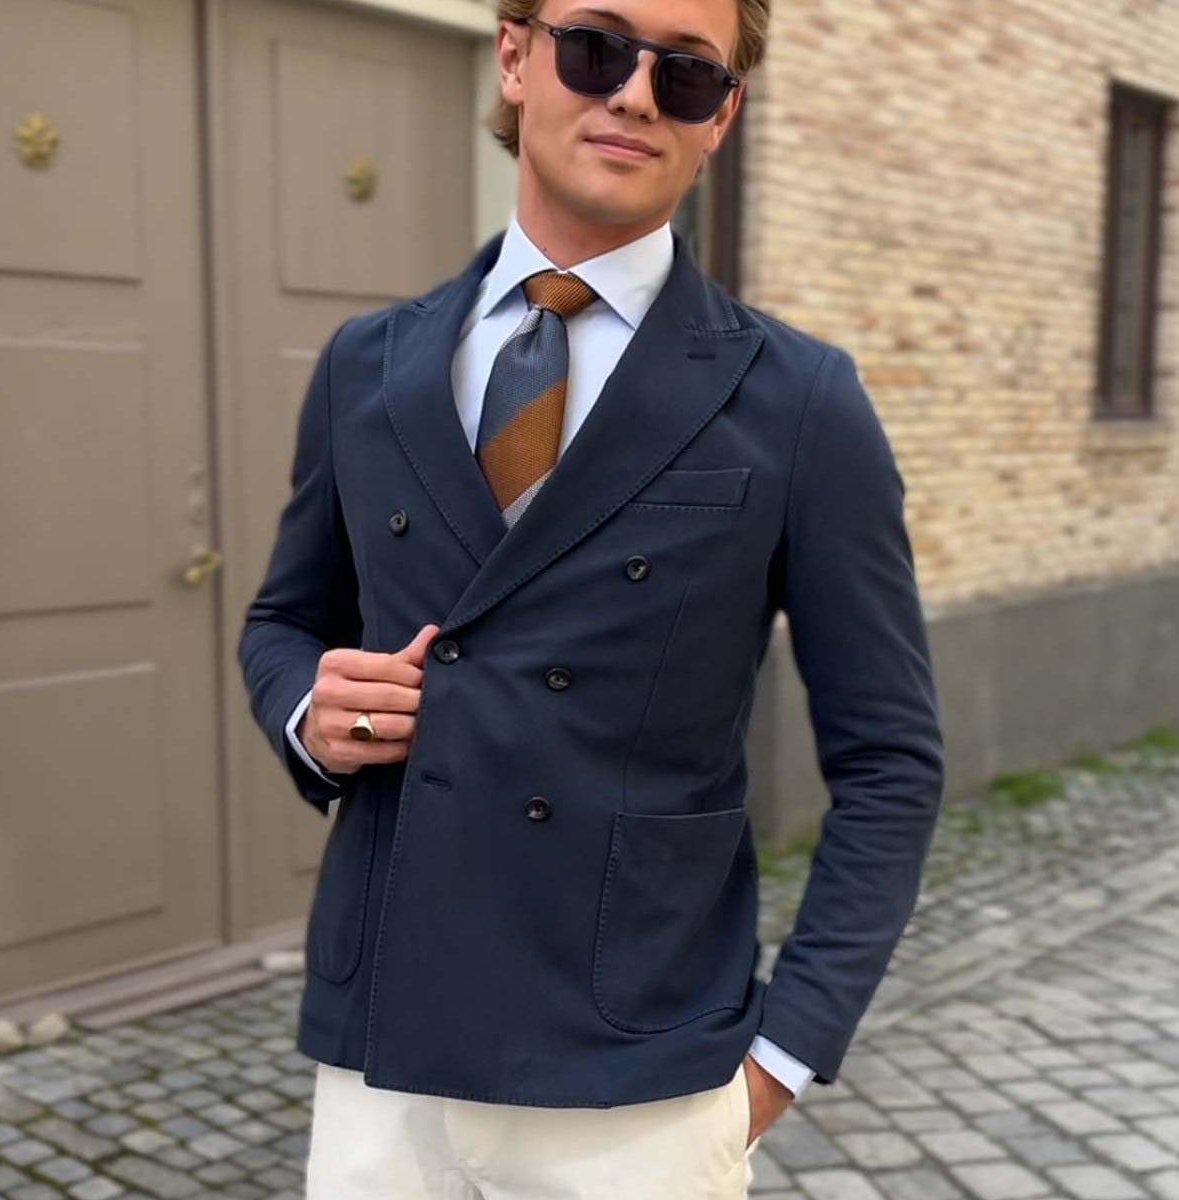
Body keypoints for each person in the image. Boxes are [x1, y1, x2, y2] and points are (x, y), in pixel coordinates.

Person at [236, 0, 945, 1194]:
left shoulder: (799, 401)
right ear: (516, 55)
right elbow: (282, 622)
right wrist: (311, 709)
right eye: (597, 47)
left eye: (686, 73)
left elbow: (890, 759)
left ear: (722, 115)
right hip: (382, 1047)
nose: (633, 94)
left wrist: (780, 1058)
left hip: (639, 1076)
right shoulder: (370, 362)